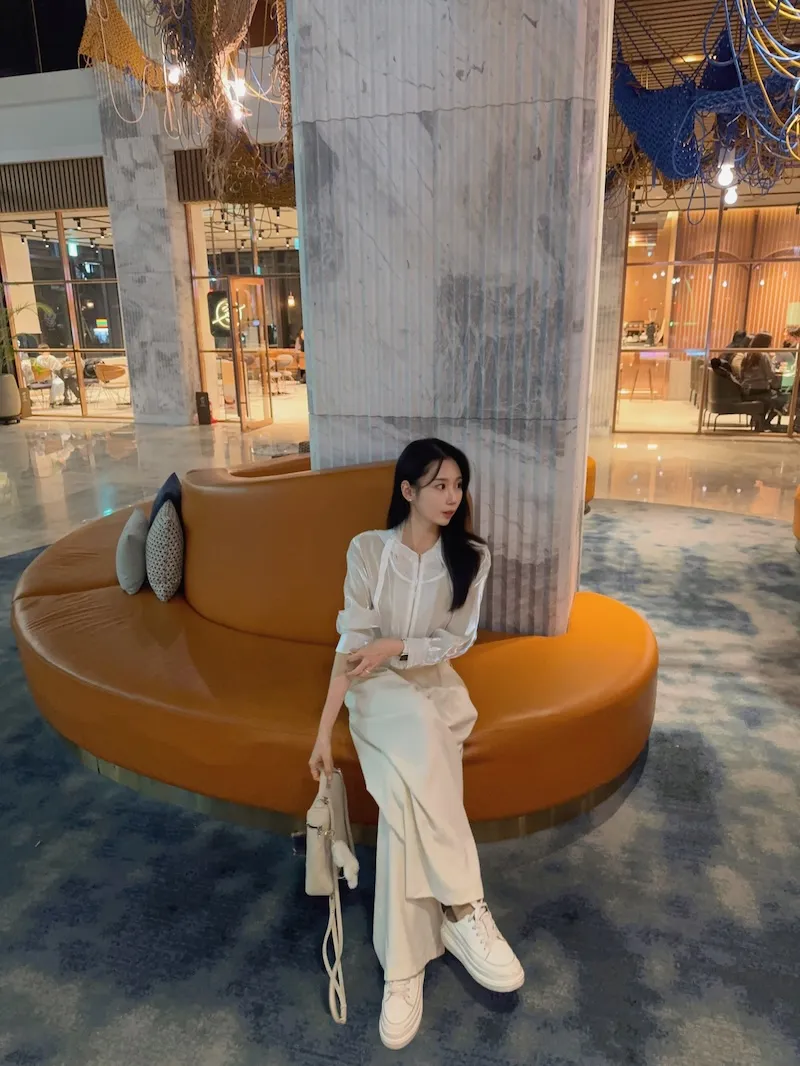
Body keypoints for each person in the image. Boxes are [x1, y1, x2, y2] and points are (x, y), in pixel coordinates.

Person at [308, 438, 524, 1051]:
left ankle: (403, 969)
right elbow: (351, 647)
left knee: (402, 804)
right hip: (376, 692)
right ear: (408, 491)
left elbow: (458, 640)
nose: (452, 497)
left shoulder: (471, 557)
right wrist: (324, 729)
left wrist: (399, 646)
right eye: (438, 485)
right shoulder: (367, 550)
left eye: (458, 485)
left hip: (435, 686)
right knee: (420, 733)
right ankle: (465, 904)